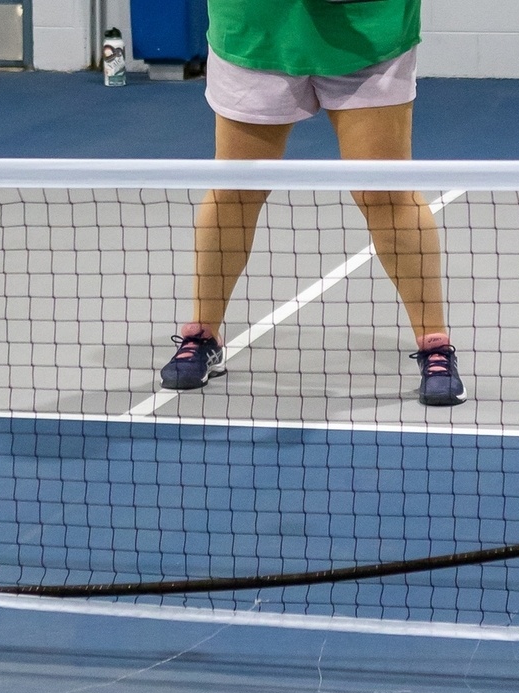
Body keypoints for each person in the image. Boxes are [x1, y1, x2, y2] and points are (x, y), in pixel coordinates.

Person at [160, 0, 467, 407]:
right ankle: (203, 336)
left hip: (368, 28)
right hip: (257, 29)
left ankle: (435, 345)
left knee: (385, 193)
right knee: (235, 190)